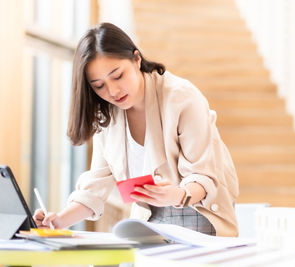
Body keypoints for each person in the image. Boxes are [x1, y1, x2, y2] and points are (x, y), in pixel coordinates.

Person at [33, 22, 239, 237]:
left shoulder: (181, 97)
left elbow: (204, 175)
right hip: (149, 224)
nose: (113, 91)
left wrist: (178, 195)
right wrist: (57, 221)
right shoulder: (108, 116)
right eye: (99, 85)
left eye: (117, 75)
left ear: (137, 59)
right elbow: (95, 187)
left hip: (199, 217)